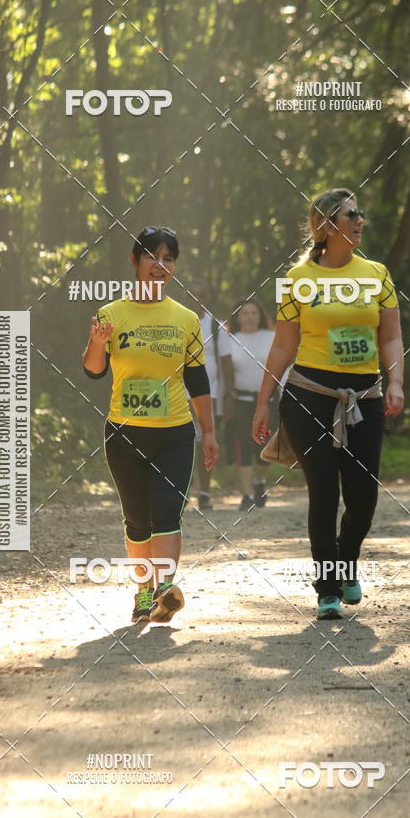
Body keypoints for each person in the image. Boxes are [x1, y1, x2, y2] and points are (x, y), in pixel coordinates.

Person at [252, 188, 404, 619]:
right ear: (327, 225)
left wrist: (396, 383)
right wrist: (263, 401)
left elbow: (390, 336)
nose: (360, 221)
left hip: (365, 398)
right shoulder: (297, 279)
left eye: (361, 214)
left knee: (362, 497)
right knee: (323, 493)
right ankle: (327, 588)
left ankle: (346, 560)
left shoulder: (377, 273)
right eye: (351, 214)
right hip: (308, 397)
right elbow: (283, 346)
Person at [82, 226, 218, 623]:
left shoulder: (186, 319)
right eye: (152, 257)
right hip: (124, 433)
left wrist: (208, 432)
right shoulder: (111, 314)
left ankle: (162, 590)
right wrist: (95, 341)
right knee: (137, 519)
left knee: (167, 512)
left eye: (169, 259)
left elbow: (198, 380)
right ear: (135, 262)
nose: (161, 266)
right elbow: (93, 370)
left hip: (175, 432)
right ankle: (143, 592)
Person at [221, 297, 276, 510]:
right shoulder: (230, 339)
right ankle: (246, 496)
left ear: (260, 316)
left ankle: (259, 482)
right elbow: (224, 370)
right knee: (242, 444)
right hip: (241, 401)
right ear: (237, 317)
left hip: (268, 400)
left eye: (254, 313)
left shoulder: (271, 336)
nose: (250, 317)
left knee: (264, 444)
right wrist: (226, 398)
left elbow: (283, 364)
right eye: (245, 313)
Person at [188, 284, 231, 510]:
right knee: (184, 443)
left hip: (210, 393)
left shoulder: (216, 326)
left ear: (207, 298)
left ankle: (204, 493)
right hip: (180, 394)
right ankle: (183, 491)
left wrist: (228, 396)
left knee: (206, 440)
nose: (196, 297)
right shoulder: (178, 320)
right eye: (193, 294)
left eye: (201, 294)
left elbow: (226, 362)